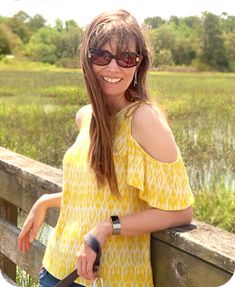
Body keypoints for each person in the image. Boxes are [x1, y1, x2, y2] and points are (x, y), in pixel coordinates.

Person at [18, 9, 194, 287]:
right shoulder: (86, 116)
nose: (114, 68)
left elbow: (180, 211)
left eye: (126, 58)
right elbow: (96, 192)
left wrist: (106, 228)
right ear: (87, 60)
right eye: (102, 55)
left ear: (139, 64)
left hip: (108, 278)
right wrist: (46, 201)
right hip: (55, 268)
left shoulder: (144, 118)